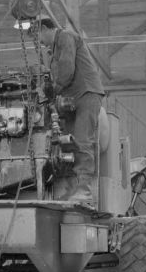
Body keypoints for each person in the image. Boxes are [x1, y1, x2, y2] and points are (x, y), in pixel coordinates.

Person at [29, 17, 105, 207]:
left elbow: (66, 67)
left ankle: (84, 190)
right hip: (72, 98)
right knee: (68, 142)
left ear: (46, 28)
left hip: (86, 93)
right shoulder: (53, 49)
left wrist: (54, 88)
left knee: (81, 140)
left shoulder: (65, 37)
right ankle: (74, 189)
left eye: (38, 36)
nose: (39, 42)